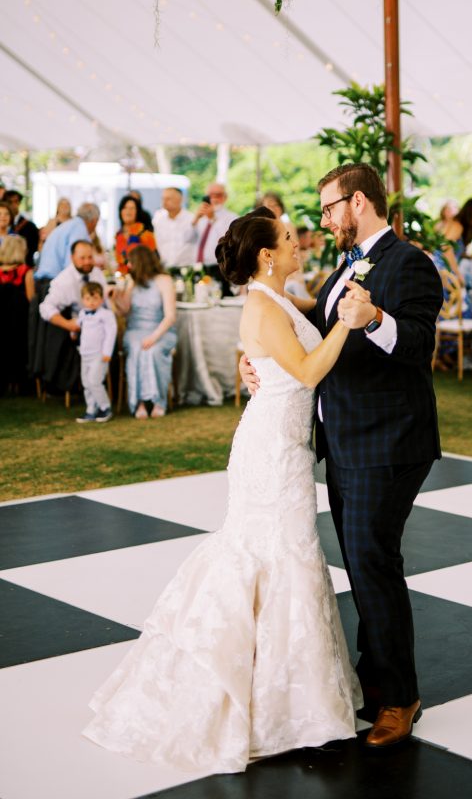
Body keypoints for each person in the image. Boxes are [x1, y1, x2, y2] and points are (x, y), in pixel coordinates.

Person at [83, 208, 362, 772]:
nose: (297, 245)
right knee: (276, 554)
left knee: (288, 557)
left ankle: (293, 699)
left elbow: (302, 325)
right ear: (266, 255)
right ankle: (272, 703)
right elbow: (308, 371)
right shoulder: (262, 304)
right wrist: (348, 324)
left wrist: (334, 310)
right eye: (288, 240)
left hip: (284, 445)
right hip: (270, 453)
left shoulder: (279, 298)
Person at [243, 163, 443, 747]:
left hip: (389, 440)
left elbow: (420, 342)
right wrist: (256, 357)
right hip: (347, 442)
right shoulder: (345, 267)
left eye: (330, 208)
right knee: (360, 561)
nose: (324, 219)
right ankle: (376, 677)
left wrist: (377, 317)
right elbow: (307, 332)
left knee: (372, 558)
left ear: (358, 202)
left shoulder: (411, 263)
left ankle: (400, 699)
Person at [33, 240, 107, 394]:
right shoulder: (64, 280)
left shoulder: (97, 273)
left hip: (102, 324)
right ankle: (93, 385)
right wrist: (68, 324)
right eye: (82, 258)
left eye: (90, 257)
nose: (87, 262)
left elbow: (106, 302)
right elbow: (45, 308)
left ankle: (105, 384)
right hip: (80, 329)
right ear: (72, 257)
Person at [113, 245, 177, 418]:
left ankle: (158, 401)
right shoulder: (132, 282)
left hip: (161, 329)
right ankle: (139, 402)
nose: (129, 266)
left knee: (153, 351)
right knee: (136, 349)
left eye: (131, 262)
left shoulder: (164, 280)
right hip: (135, 330)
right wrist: (116, 298)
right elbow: (124, 311)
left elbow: (170, 316)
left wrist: (153, 337)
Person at [74, 282, 117, 424]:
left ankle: (105, 407)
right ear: (83, 300)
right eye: (87, 299)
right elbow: (78, 326)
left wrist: (107, 352)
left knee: (95, 381)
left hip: (99, 355)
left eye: (95, 298)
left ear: (101, 299)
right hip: (85, 354)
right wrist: (73, 333)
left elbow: (111, 333)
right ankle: (91, 409)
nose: (91, 302)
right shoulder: (82, 313)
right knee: (86, 382)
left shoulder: (106, 315)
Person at [33, 202, 100, 291]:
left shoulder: (70, 225)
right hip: (53, 282)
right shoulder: (79, 229)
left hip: (44, 280)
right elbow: (73, 263)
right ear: (94, 221)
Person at [0, 235, 34, 395]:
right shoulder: (26, 272)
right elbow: (31, 299)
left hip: (3, 320)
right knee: (19, 351)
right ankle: (19, 384)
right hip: (19, 321)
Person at [192, 182, 238, 281]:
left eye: (218, 195)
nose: (214, 199)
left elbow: (226, 241)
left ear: (225, 197)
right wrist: (195, 219)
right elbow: (188, 240)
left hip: (220, 267)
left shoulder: (231, 217)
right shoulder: (200, 216)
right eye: (210, 195)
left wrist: (212, 219)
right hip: (199, 267)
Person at [152, 188, 197, 269]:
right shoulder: (158, 220)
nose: (164, 202)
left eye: (168, 199)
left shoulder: (191, 219)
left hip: (186, 268)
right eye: (163, 198)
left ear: (180, 200)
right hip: (164, 267)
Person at [115, 194, 157, 273]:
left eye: (132, 208)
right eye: (125, 208)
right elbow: (119, 259)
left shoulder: (146, 234)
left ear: (137, 212)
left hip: (142, 276)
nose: (128, 211)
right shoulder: (118, 235)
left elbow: (153, 260)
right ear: (120, 211)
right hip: (122, 278)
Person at [4, 190, 39, 267]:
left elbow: (34, 248)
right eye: (10, 202)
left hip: (23, 266)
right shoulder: (2, 224)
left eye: (16, 201)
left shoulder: (30, 226)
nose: (13, 205)